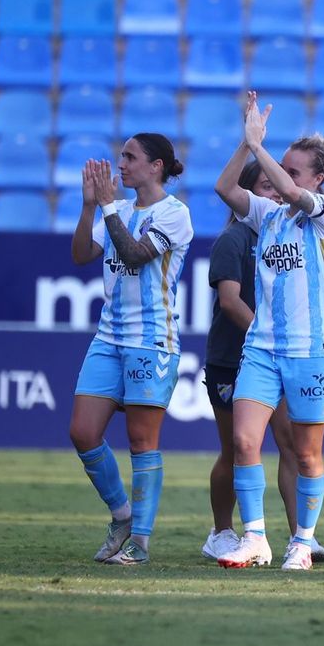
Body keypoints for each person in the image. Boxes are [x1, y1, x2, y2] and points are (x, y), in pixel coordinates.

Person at [211, 94, 324, 571]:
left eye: (292, 170)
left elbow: (291, 194)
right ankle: (255, 539)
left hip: (310, 351)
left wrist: (259, 145)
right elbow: (225, 187)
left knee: (307, 454)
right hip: (263, 348)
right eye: (278, 169)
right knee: (245, 443)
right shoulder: (267, 216)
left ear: (318, 178)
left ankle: (302, 542)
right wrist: (246, 146)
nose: (280, 179)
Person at [67, 132, 192, 566]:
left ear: (156, 166)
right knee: (82, 432)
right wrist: (89, 206)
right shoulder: (115, 209)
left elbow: (136, 254)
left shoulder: (175, 214)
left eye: (130, 157)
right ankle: (122, 514)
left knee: (142, 440)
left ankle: (140, 541)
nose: (121, 164)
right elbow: (81, 254)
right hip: (108, 336)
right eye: (121, 156)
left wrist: (104, 206)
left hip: (150, 339)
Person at [202, 160, 303, 565]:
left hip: (273, 358)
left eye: (279, 187)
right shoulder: (234, 239)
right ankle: (222, 532)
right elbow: (230, 302)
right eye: (266, 186)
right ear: (246, 193)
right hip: (233, 359)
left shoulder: (288, 236)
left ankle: (301, 537)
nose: (276, 194)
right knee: (236, 449)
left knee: (291, 444)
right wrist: (269, 337)